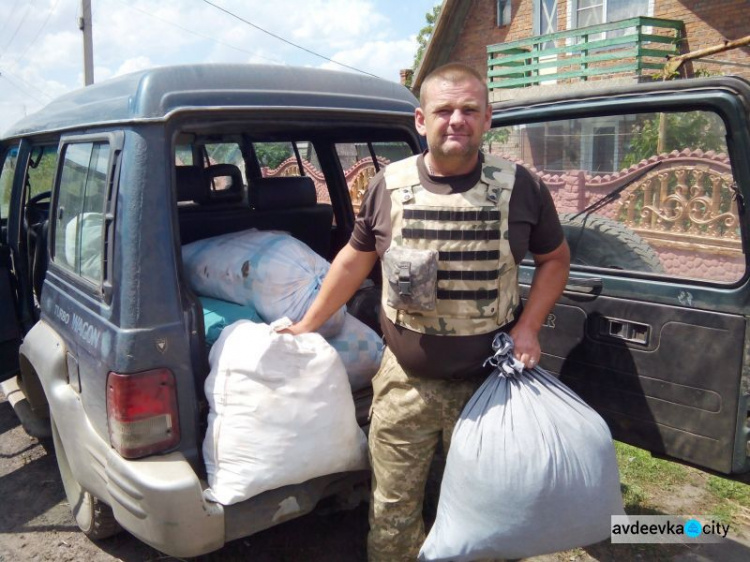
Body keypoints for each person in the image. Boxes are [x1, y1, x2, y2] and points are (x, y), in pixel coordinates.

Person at [284, 63, 570, 562]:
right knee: (392, 513)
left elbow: (555, 260)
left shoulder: (522, 186)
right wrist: (309, 322)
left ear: (487, 120)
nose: (456, 120)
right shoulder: (386, 186)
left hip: (490, 390)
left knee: (488, 509)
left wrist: (528, 327)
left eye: (469, 110)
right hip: (404, 384)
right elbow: (354, 259)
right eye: (444, 110)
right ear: (421, 120)